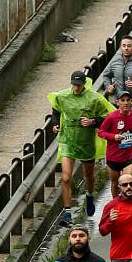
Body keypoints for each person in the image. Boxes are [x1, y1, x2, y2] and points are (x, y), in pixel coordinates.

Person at [49, 70, 112, 225]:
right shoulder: (62, 96)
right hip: (67, 141)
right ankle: (67, 212)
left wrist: (92, 122)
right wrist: (55, 124)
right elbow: (55, 111)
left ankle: (89, 195)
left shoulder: (94, 99)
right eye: (74, 85)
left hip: (86, 142)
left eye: (79, 85)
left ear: (84, 84)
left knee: (88, 176)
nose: (76, 88)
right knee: (65, 177)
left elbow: (107, 117)